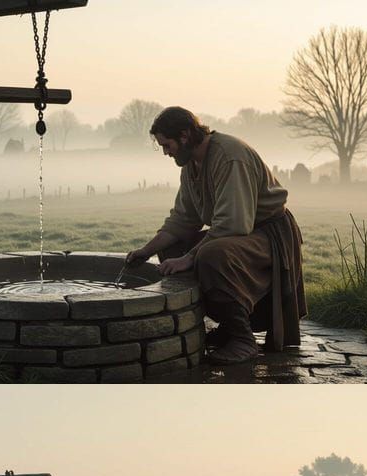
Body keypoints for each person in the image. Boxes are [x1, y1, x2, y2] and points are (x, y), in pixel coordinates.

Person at [124, 106, 306, 365]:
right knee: (172, 249)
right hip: (240, 231)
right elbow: (183, 220)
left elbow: (233, 225)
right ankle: (224, 327)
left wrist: (189, 258)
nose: (165, 152)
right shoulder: (191, 165)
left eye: (167, 145)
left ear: (185, 135)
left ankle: (242, 338)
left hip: (269, 234)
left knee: (212, 255)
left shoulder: (230, 157)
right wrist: (146, 250)